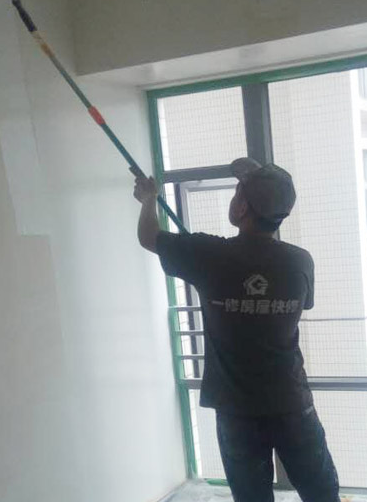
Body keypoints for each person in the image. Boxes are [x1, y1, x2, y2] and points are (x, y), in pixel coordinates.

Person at [133, 157, 340, 502]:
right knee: (322, 494)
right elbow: (302, 304)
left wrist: (149, 199)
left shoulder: (208, 255)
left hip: (237, 410)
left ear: (242, 207)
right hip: (291, 401)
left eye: (237, 191)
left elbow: (148, 236)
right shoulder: (300, 261)